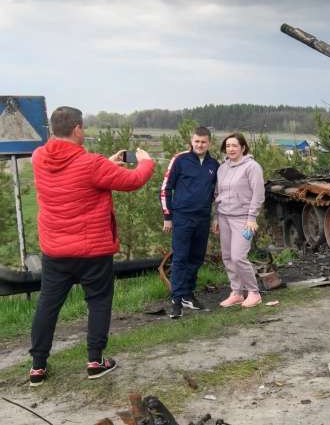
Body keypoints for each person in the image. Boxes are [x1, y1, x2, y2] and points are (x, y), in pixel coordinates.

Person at [29, 106, 155, 386]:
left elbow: (79, 173)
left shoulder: (39, 157)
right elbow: (133, 181)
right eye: (83, 127)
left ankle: (37, 366)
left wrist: (107, 164)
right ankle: (95, 361)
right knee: (98, 303)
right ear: (77, 129)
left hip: (55, 250)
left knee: (48, 305)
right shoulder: (91, 164)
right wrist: (146, 162)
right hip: (91, 251)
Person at [160, 127, 219, 318]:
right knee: (180, 258)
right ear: (191, 141)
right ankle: (176, 300)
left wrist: (215, 217)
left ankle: (188, 294)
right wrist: (167, 216)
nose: (200, 145)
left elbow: (217, 193)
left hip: (203, 218)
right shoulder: (180, 160)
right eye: (197, 141)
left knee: (196, 258)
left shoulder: (214, 164)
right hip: (182, 217)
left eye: (203, 142)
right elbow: (166, 189)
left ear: (209, 143)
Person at [213, 133, 265, 308]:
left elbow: (258, 194)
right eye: (228, 146)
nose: (231, 149)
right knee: (227, 256)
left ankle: (254, 292)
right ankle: (236, 292)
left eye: (235, 145)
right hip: (224, 217)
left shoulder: (252, 167)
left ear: (243, 148)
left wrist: (252, 218)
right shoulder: (222, 168)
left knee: (238, 256)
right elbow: (217, 194)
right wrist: (216, 218)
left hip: (244, 220)